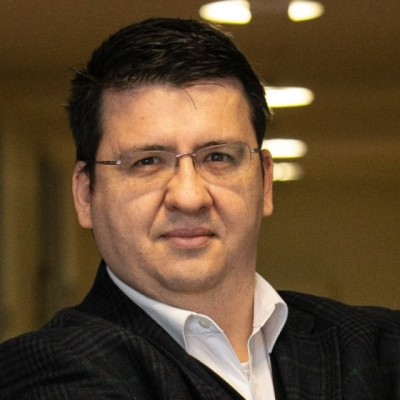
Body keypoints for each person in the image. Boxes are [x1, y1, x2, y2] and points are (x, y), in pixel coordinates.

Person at [0, 17, 399, 400]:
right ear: (86, 194)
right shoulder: (46, 371)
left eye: (218, 157)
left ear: (264, 182)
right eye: (147, 162)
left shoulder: (379, 350)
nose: (189, 197)